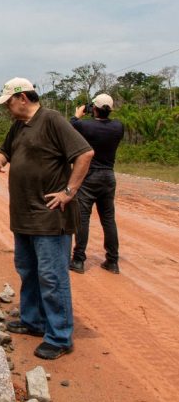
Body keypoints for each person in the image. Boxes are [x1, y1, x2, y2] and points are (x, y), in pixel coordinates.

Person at [0, 77, 93, 360]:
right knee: (28, 270)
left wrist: (69, 192)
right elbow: (5, 150)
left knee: (52, 276)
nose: (7, 107)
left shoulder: (52, 120)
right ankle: (33, 321)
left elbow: (85, 153)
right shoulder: (19, 125)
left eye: (8, 101)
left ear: (22, 97)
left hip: (49, 217)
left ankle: (59, 336)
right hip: (23, 215)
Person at [69, 94, 124, 274]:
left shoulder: (85, 125)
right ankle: (112, 261)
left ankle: (78, 260)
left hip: (89, 175)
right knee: (108, 219)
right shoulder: (118, 127)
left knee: (83, 218)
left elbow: (70, 126)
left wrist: (78, 114)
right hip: (108, 176)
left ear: (94, 109)